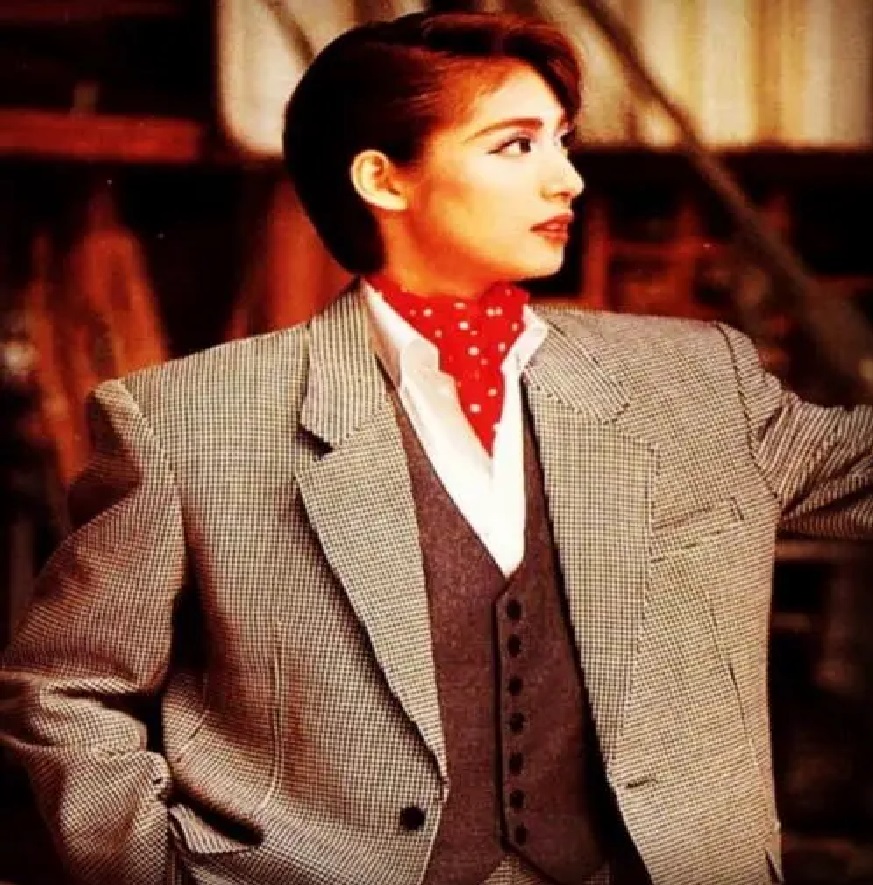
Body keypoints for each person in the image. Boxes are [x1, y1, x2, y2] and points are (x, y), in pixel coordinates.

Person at [0, 10, 871, 885]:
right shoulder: (190, 419)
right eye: (515, 146)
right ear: (383, 179)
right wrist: (153, 871)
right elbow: (66, 688)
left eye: (562, 141)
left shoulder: (694, 379)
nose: (566, 178)